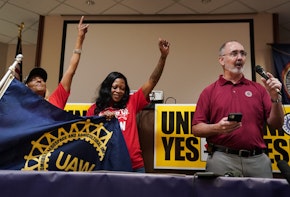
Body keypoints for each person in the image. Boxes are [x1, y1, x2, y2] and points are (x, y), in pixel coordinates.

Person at [192, 40, 284, 178]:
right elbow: (196, 129)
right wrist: (217, 128)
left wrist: (275, 97)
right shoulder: (209, 91)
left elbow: (277, 124)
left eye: (242, 53)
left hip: (257, 160)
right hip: (222, 159)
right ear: (221, 60)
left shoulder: (259, 89)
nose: (240, 57)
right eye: (234, 53)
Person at [86, 38, 170, 172]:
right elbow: (89, 139)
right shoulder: (94, 110)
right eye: (115, 87)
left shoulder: (132, 102)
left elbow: (152, 80)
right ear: (107, 87)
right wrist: (101, 120)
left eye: (122, 88)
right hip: (106, 165)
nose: (118, 91)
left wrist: (163, 57)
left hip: (134, 165)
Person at [24, 16, 89, 109]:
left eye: (42, 79)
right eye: (33, 79)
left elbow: (71, 70)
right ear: (27, 87)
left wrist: (80, 37)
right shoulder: (23, 108)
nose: (39, 80)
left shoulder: (56, 99)